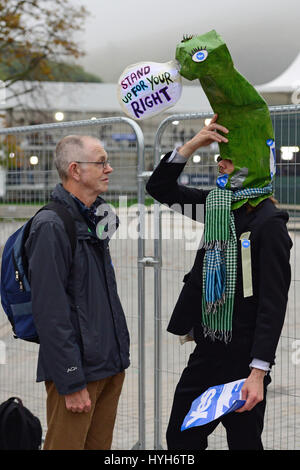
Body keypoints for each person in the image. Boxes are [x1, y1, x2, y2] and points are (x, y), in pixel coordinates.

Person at [146, 114, 292, 450]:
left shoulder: (270, 224)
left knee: (243, 441)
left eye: (228, 160)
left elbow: (273, 304)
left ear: (250, 166)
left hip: (244, 360)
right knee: (180, 439)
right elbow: (159, 188)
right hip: (209, 349)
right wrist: (194, 143)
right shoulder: (218, 206)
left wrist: (258, 373)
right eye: (219, 158)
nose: (219, 165)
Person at [25, 135, 130, 450]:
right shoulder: (50, 226)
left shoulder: (90, 221)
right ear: (75, 170)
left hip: (109, 366)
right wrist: (70, 381)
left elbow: (111, 222)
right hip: (77, 374)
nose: (109, 168)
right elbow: (50, 312)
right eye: (101, 162)